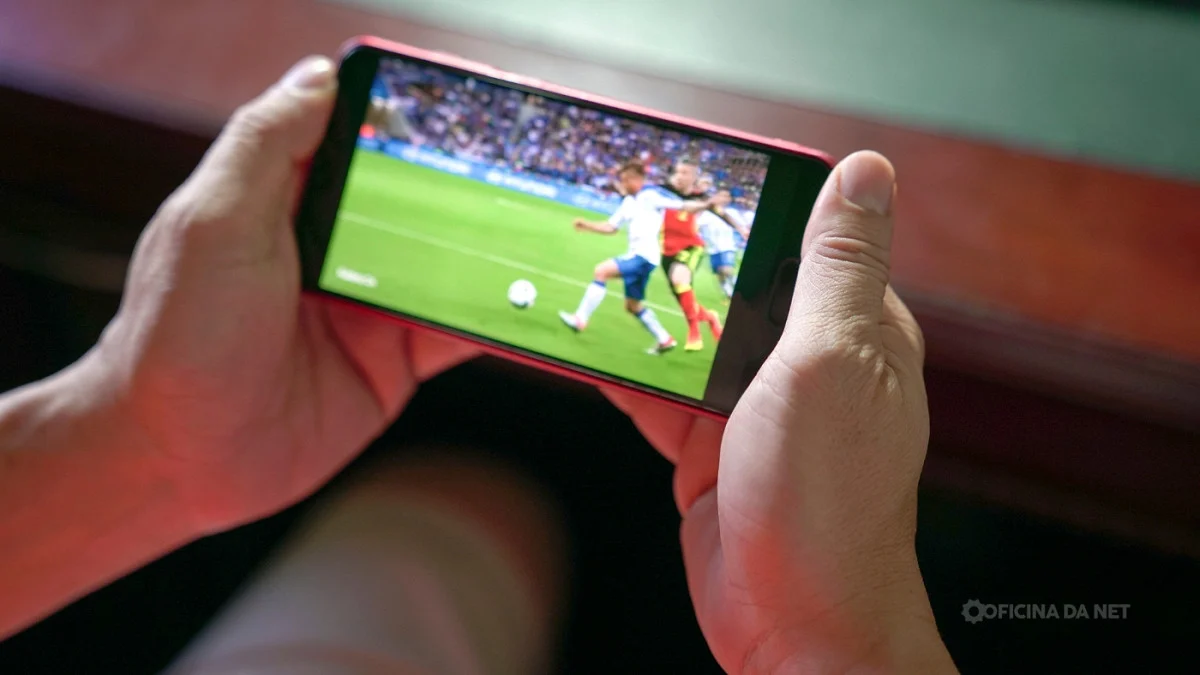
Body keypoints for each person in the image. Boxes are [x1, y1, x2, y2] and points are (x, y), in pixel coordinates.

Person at [0, 56, 958, 674]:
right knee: (475, 509)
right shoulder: (638, 206)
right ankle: (635, 349)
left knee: (455, 499)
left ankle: (645, 338)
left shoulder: (669, 210)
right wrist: (832, 636)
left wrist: (143, 436)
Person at [559, 161, 678, 354]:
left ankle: (580, 319)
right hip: (642, 258)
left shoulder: (650, 197)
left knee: (601, 271)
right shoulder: (628, 202)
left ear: (637, 179)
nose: (622, 185)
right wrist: (587, 225)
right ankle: (665, 339)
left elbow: (679, 205)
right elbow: (611, 227)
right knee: (632, 306)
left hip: (643, 256)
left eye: (625, 180)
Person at [656, 158, 728, 351]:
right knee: (685, 300)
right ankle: (711, 318)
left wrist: (741, 228)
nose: (680, 176)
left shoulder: (701, 198)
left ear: (694, 177)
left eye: (685, 173)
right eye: (678, 172)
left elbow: (722, 213)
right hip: (667, 251)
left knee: (680, 280)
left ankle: (694, 333)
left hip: (691, 247)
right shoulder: (663, 192)